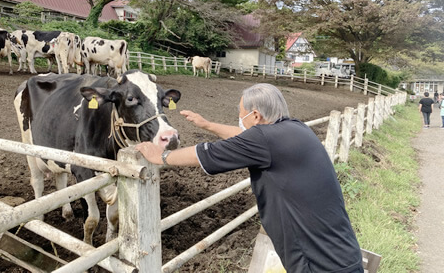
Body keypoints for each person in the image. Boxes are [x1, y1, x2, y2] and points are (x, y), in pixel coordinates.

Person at [136, 83, 363, 273]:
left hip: (319, 264)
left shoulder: (264, 139)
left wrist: (162, 156)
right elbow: (245, 137)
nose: (239, 118)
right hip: (342, 255)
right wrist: (207, 125)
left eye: (241, 113)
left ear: (255, 115)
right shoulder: (295, 129)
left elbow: (209, 153)